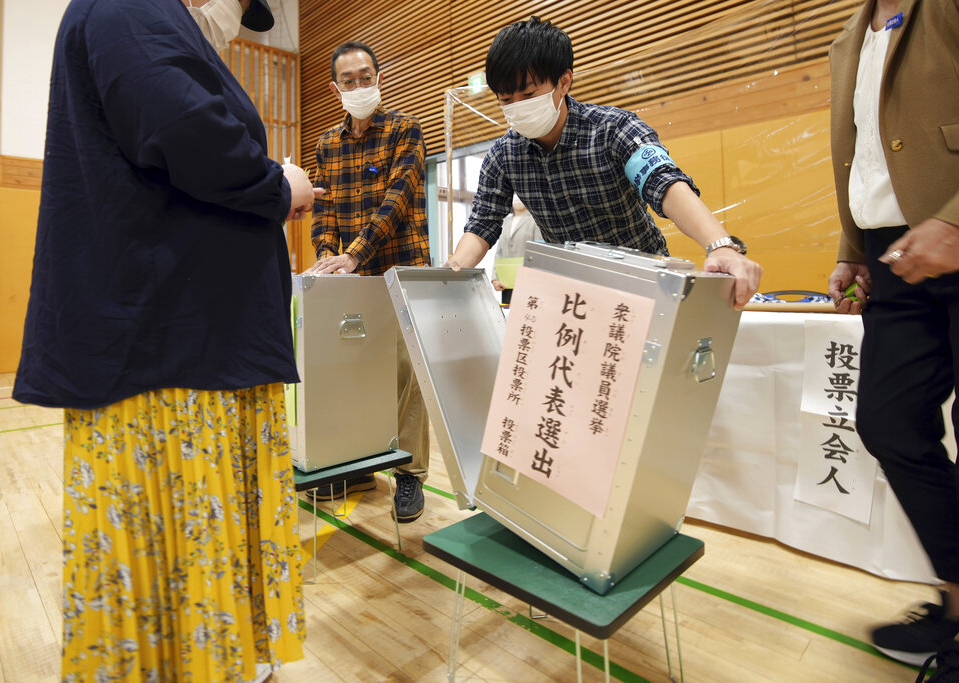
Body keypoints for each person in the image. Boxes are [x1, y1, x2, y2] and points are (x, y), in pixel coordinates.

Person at [12, 0, 321, 681]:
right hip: (172, 347)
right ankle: (198, 659)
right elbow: (188, 131)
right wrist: (278, 185)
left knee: (194, 531)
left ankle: (216, 653)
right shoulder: (128, 7)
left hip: (187, 338)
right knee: (184, 526)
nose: (232, 16)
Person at [826, 1, 959, 680]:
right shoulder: (849, 36)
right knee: (889, 423)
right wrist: (852, 250)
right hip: (896, 257)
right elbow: (865, 155)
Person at [446, 17, 762, 310]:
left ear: (564, 82)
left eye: (528, 94)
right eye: (505, 100)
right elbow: (482, 225)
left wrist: (720, 246)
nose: (516, 107)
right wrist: (451, 273)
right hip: (573, 296)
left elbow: (664, 183)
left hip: (644, 285)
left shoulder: (613, 129)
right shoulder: (504, 155)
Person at [304, 41, 432, 523]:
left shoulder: (405, 130)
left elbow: (397, 200)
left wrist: (354, 254)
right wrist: (326, 258)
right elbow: (322, 209)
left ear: (379, 79)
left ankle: (409, 473)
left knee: (406, 375)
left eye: (365, 77)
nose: (359, 85)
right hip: (350, 278)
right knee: (353, 371)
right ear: (335, 88)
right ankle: (358, 466)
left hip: (401, 270)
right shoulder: (326, 144)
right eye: (349, 80)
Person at [491, 194, 541, 305]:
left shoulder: (535, 220)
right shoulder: (505, 221)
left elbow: (538, 250)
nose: (516, 198)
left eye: (518, 194)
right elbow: (499, 252)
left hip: (528, 281)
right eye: (513, 194)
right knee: (507, 312)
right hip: (506, 281)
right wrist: (495, 277)